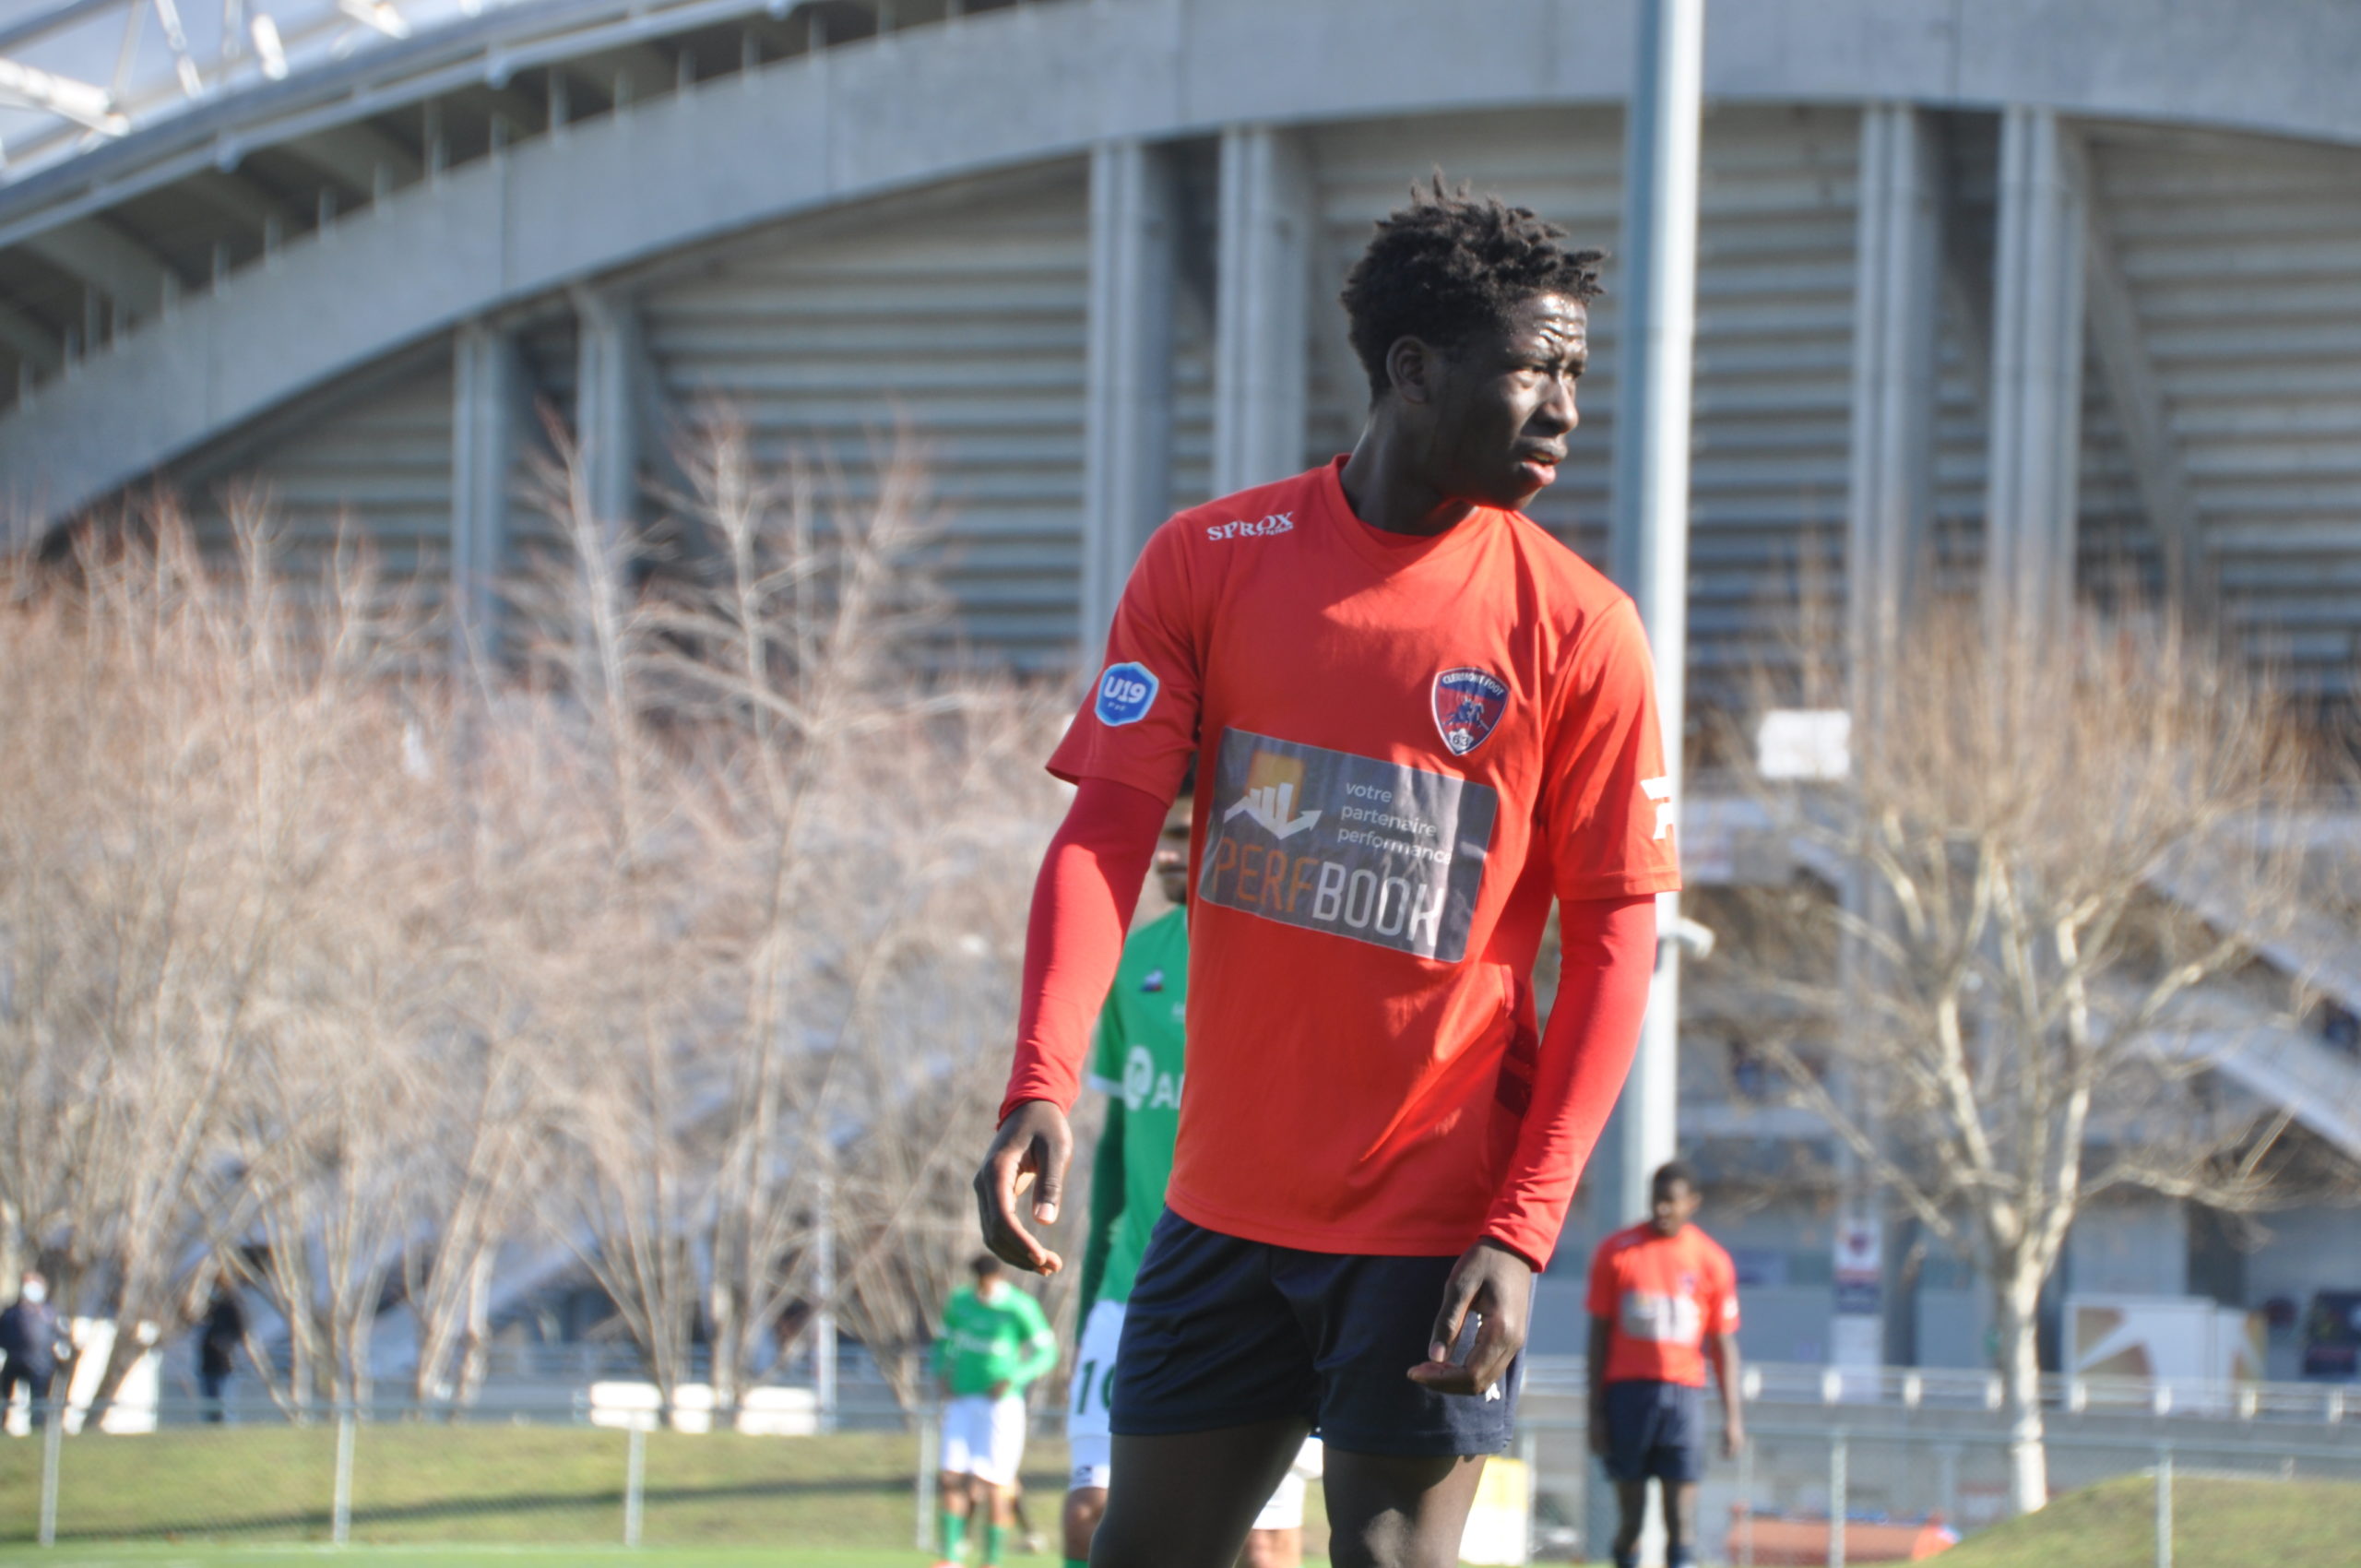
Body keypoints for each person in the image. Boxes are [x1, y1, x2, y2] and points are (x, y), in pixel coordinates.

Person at [974, 178, 1679, 1568]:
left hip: (1432, 1231)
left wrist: (1525, 1235)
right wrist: (1041, 1082)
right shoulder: (1209, 562)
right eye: (1532, 369)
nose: (1565, 410)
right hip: (1219, 1220)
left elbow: (1615, 940)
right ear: (1413, 372)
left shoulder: (1583, 629)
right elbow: (1106, 835)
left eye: (1578, 375)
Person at [1062, 798, 1322, 1568]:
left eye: (1183, 836)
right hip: (1128, 1289)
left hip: (1250, 1295)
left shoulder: (1289, 964)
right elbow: (1114, 1147)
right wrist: (1088, 1305)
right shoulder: (1133, 961)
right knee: (1092, 1509)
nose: (1166, 855)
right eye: (1163, 838)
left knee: (1264, 1547)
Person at [1585, 1161, 1744, 1568]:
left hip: (1683, 1397)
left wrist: (1733, 1418)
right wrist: (1596, 1413)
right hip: (1628, 1395)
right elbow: (1598, 1338)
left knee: (1681, 1518)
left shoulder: (1711, 1260)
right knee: (1632, 1520)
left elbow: (1723, 1345)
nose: (1662, 1210)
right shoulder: (1617, 1252)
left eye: (1672, 1201)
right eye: (1657, 1200)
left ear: (1692, 1203)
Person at [933, 1253, 1058, 1568]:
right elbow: (943, 1342)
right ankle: (950, 1558)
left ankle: (991, 1561)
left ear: (997, 1277)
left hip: (1000, 1405)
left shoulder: (1018, 1306)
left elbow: (1046, 1351)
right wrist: (941, 1372)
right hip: (962, 1399)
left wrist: (1015, 1377)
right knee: (951, 1475)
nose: (984, 1286)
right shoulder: (961, 1301)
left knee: (996, 1483)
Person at [0, 1272, 71, 1431]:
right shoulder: (11, 1312)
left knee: (39, 1399)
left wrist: (61, 1350)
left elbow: (60, 1335)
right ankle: (2, 1426)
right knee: (5, 1396)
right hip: (14, 1360)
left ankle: (38, 1428)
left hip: (41, 1364)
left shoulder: (49, 1313)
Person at [198, 1282, 245, 1423]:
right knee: (210, 1406)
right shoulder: (207, 1311)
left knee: (225, 1405)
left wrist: (224, 1343)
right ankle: (211, 1433)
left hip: (224, 1366)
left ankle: (227, 1432)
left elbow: (239, 1332)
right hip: (207, 1366)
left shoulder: (230, 1308)